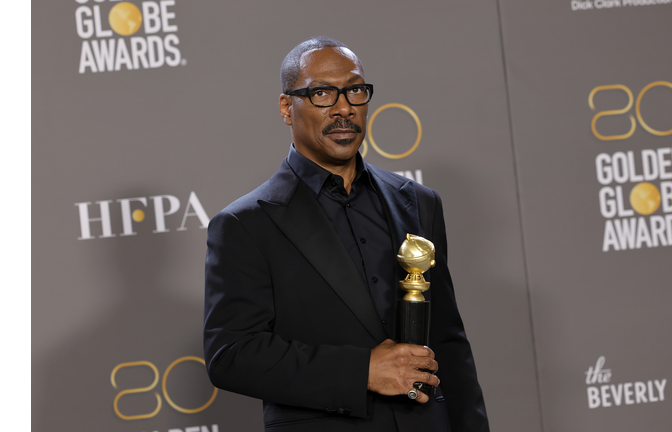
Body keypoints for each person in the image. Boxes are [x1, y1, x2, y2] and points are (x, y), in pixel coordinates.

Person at [203, 36, 490, 432]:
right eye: (322, 93)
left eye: (355, 90)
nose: (344, 108)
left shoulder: (419, 202)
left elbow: (449, 344)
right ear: (288, 107)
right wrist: (362, 371)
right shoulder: (245, 224)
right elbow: (232, 355)